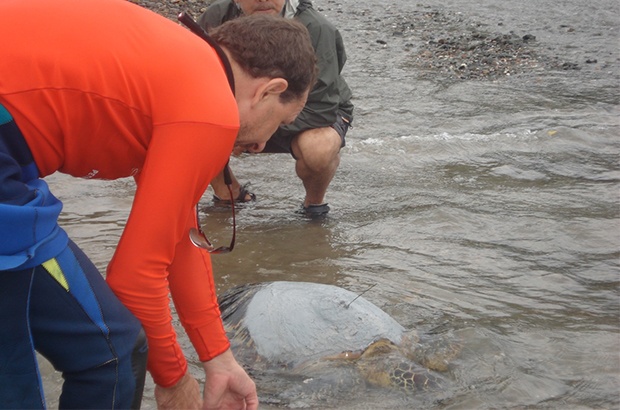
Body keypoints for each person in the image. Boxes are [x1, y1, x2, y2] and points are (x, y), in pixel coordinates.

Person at [0, 0, 316, 408]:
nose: (259, 145)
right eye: (281, 122)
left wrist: (217, 359)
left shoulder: (178, 63)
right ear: (269, 90)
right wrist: (174, 379)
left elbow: (182, 241)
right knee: (110, 353)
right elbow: (134, 278)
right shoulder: (210, 108)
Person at [198, 0, 354, 217]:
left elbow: (322, 108)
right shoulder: (216, 18)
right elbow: (197, 86)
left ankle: (314, 204)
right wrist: (239, 128)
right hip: (246, 109)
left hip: (313, 112)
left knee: (317, 150)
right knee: (196, 127)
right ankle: (228, 193)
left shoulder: (318, 29)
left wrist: (254, 130)